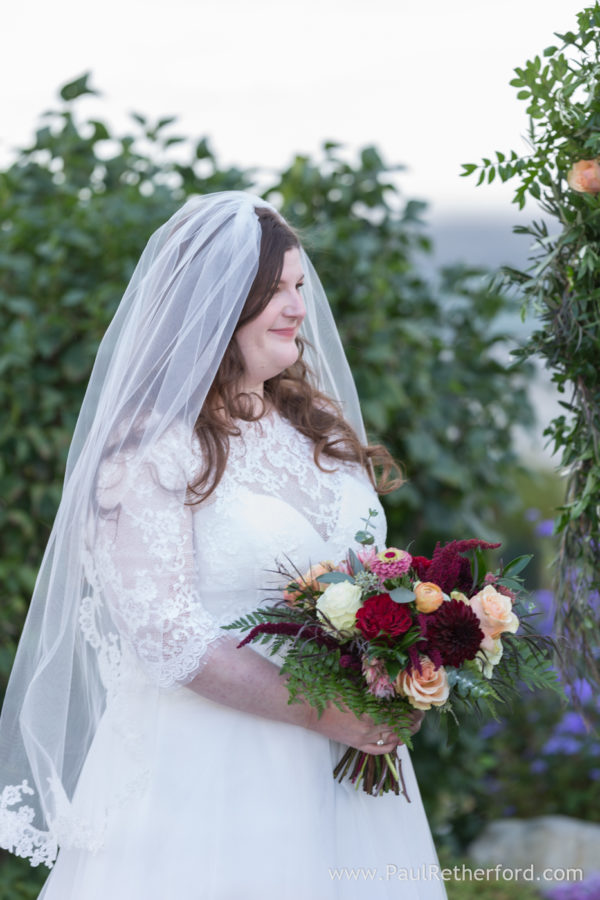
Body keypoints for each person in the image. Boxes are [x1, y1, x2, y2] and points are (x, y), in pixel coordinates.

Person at [0, 192, 448, 899]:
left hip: (344, 773)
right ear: (213, 307)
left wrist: (404, 665)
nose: (299, 307)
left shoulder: (314, 423)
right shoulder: (149, 448)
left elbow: (365, 573)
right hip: (208, 779)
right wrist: (329, 712)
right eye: (275, 293)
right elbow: (168, 635)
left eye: (300, 286)